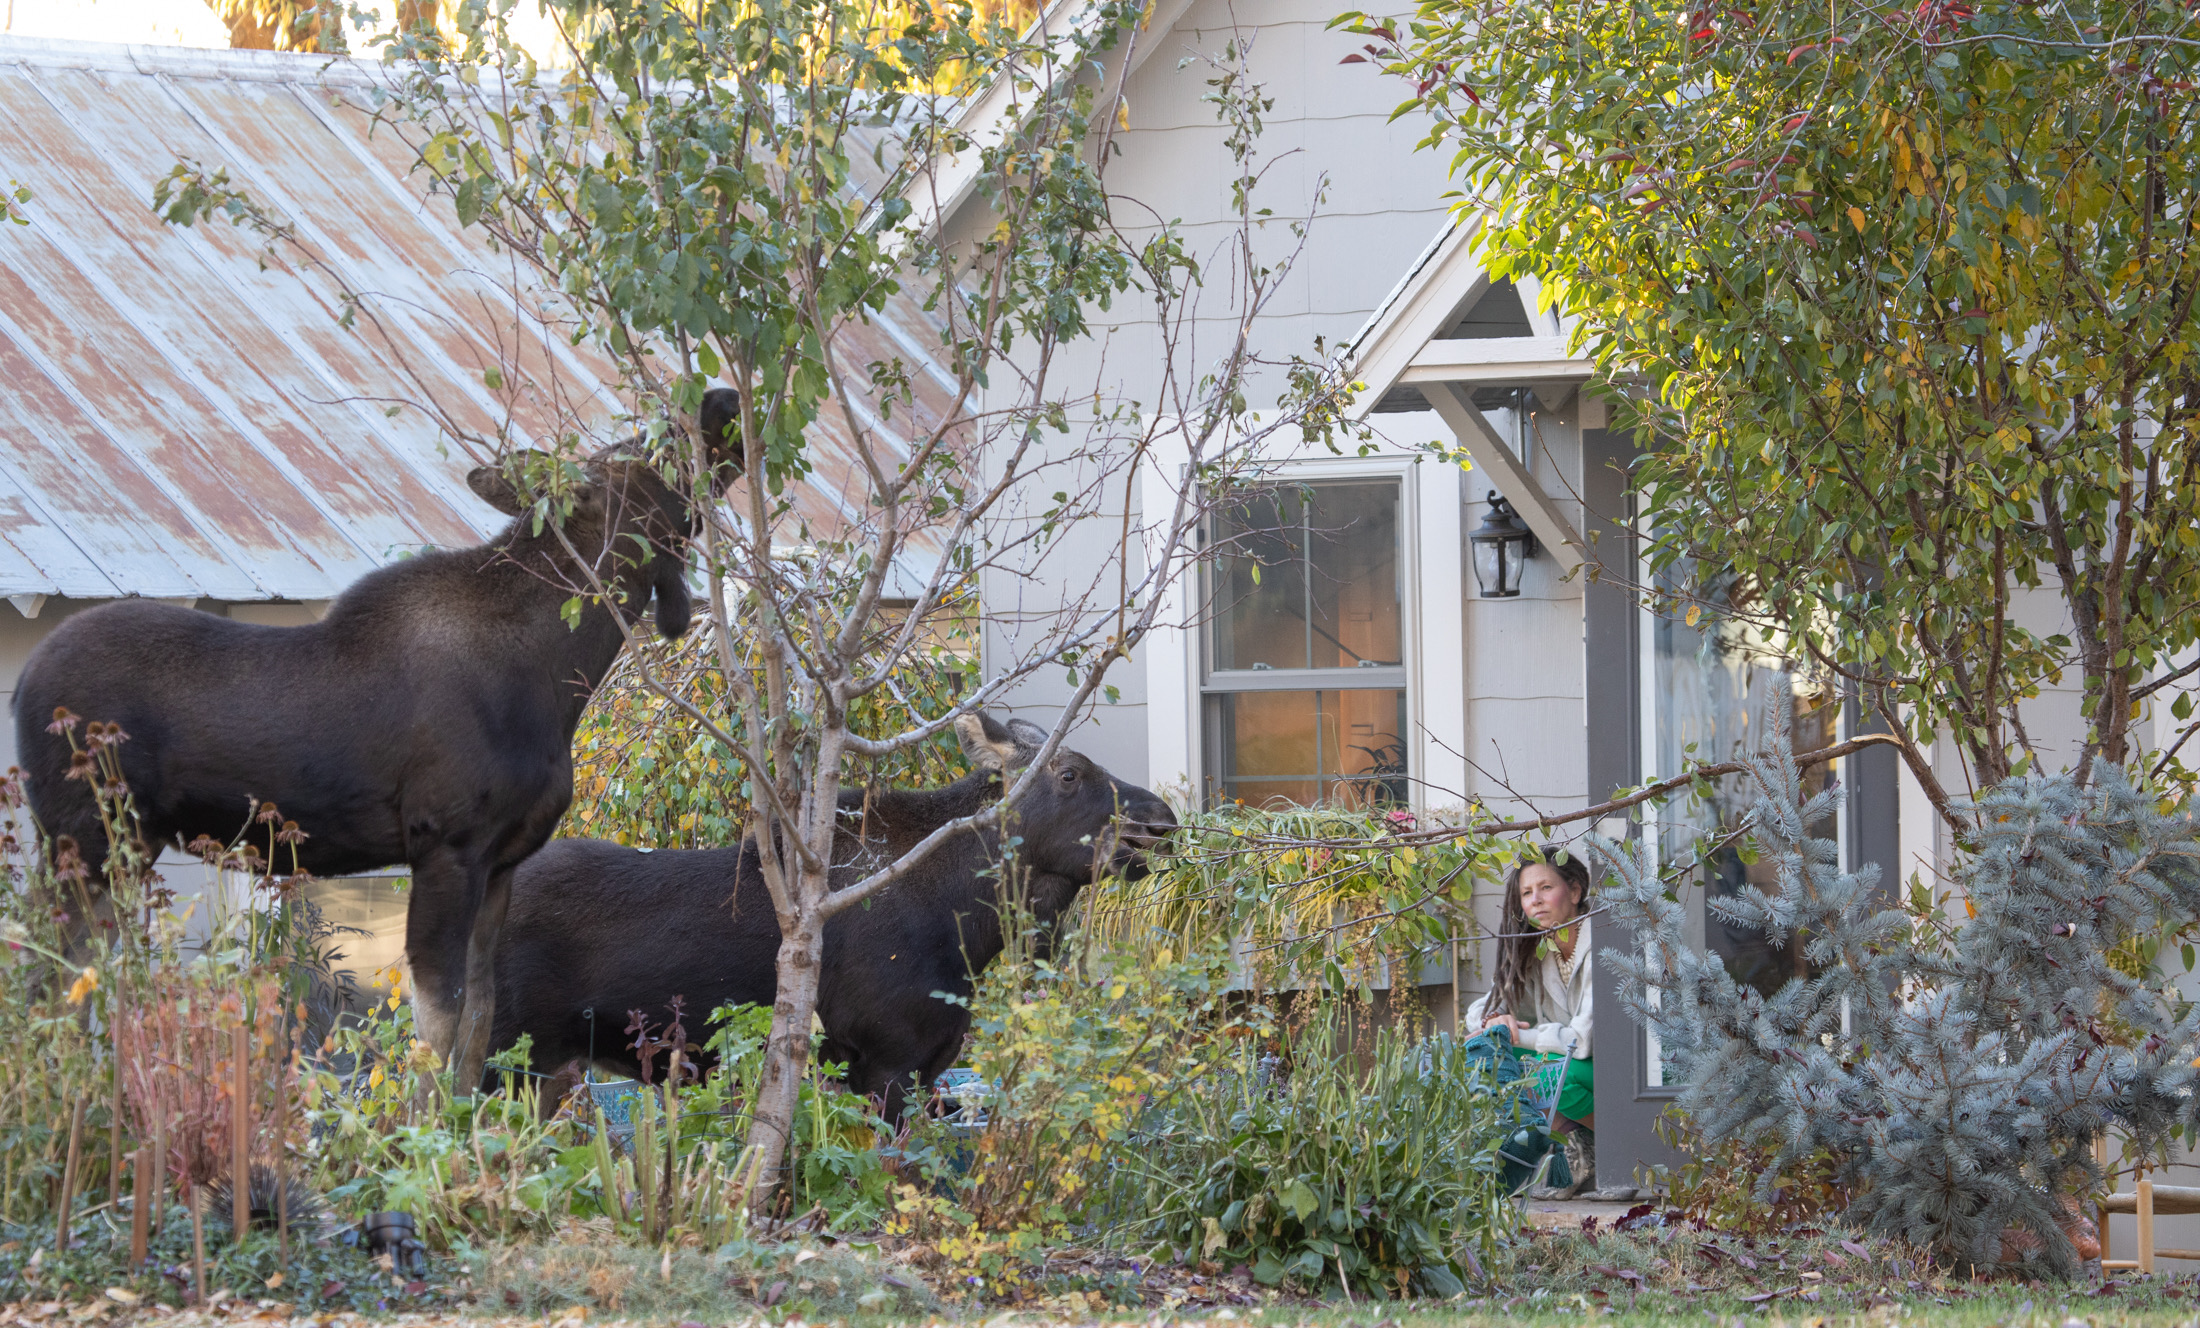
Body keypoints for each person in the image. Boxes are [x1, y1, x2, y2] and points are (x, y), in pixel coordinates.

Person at [1463, 851, 1595, 1197]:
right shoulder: (1540, 950)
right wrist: (1496, 1019)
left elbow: (1581, 1041)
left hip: (1632, 1070)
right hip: (1578, 1065)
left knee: (1547, 1079)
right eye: (1525, 893)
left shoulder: (1601, 940)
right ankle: (1579, 1144)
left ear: (1575, 892)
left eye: (1545, 887)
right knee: (1513, 1073)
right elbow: (1483, 1009)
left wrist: (1519, 1034)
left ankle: (1612, 1145)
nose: (1534, 900)